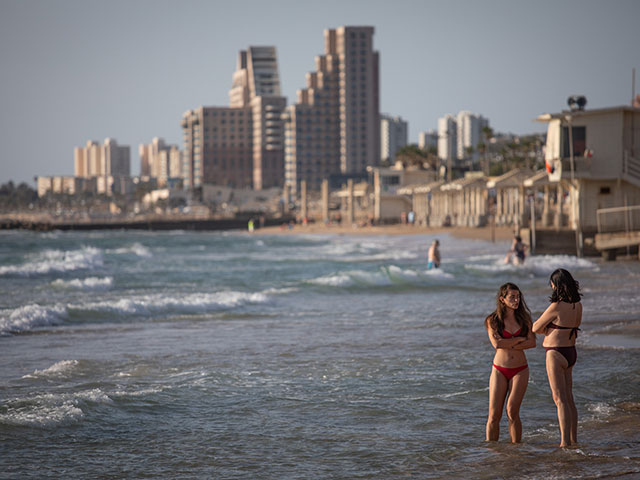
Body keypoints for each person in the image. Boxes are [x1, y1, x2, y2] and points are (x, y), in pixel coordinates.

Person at [532, 268, 582, 447]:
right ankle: (573, 440)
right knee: (569, 398)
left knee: (559, 399)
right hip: (571, 352)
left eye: (552, 284)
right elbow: (574, 325)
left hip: (555, 353)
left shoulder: (556, 306)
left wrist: (548, 330)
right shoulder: (577, 304)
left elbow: (535, 327)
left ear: (557, 285)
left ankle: (564, 443)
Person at [485, 283, 536, 443]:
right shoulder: (492, 320)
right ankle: (491, 450)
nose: (516, 300)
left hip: (520, 370)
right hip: (499, 370)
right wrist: (519, 340)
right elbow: (497, 344)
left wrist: (509, 342)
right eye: (512, 297)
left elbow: (532, 343)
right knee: (494, 415)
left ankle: (516, 450)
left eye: (518, 296)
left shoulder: (524, 318)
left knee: (512, 411)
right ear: (502, 299)